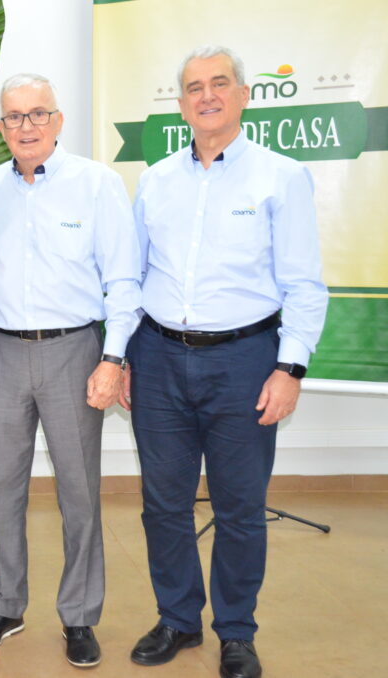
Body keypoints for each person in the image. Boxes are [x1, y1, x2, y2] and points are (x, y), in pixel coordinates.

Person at [126, 46, 327, 678]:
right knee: (163, 504)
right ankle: (178, 620)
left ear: (243, 95)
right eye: (193, 87)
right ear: (180, 103)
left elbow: (304, 285)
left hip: (246, 361)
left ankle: (235, 631)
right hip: (157, 358)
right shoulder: (155, 179)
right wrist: (123, 355)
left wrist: (289, 368)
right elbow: (131, 277)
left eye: (219, 84)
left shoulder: (281, 176)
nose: (206, 95)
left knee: (239, 507)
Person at [0, 74, 141, 668]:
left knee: (79, 491)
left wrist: (113, 358)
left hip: (74, 352)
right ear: (0, 127)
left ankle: (80, 615)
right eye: (14, 117)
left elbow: (122, 280)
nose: (26, 127)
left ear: (58, 121)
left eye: (38, 115)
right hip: (2, 351)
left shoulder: (97, 185)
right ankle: (5, 605)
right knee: (3, 488)